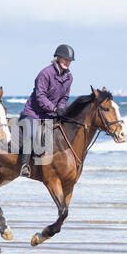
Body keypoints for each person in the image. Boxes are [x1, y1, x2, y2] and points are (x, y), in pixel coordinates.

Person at [19, 44, 75, 177]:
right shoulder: (45, 73)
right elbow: (40, 97)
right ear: (57, 58)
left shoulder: (69, 77)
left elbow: (65, 96)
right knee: (32, 134)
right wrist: (54, 108)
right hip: (33, 113)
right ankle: (24, 165)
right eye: (65, 59)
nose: (67, 62)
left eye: (69, 60)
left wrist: (61, 109)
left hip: (51, 114)